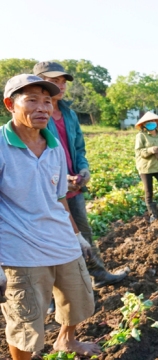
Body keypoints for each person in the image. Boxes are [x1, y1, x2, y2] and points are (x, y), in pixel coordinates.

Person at [0, 74, 101, 359]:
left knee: (77, 299)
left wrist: (77, 236)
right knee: (25, 321)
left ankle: (66, 340)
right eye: (31, 100)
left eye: (47, 101)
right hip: (21, 251)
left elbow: (59, 199)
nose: (42, 108)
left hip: (61, 242)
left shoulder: (54, 145)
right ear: (10, 104)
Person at [34, 61, 127, 289]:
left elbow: (79, 148)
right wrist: (60, 179)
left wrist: (83, 170)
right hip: (48, 192)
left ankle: (97, 274)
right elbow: (33, 158)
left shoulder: (69, 115)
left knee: (83, 232)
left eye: (63, 82)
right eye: (54, 81)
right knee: (50, 239)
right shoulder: (34, 116)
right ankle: (50, 293)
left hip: (73, 188)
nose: (61, 86)